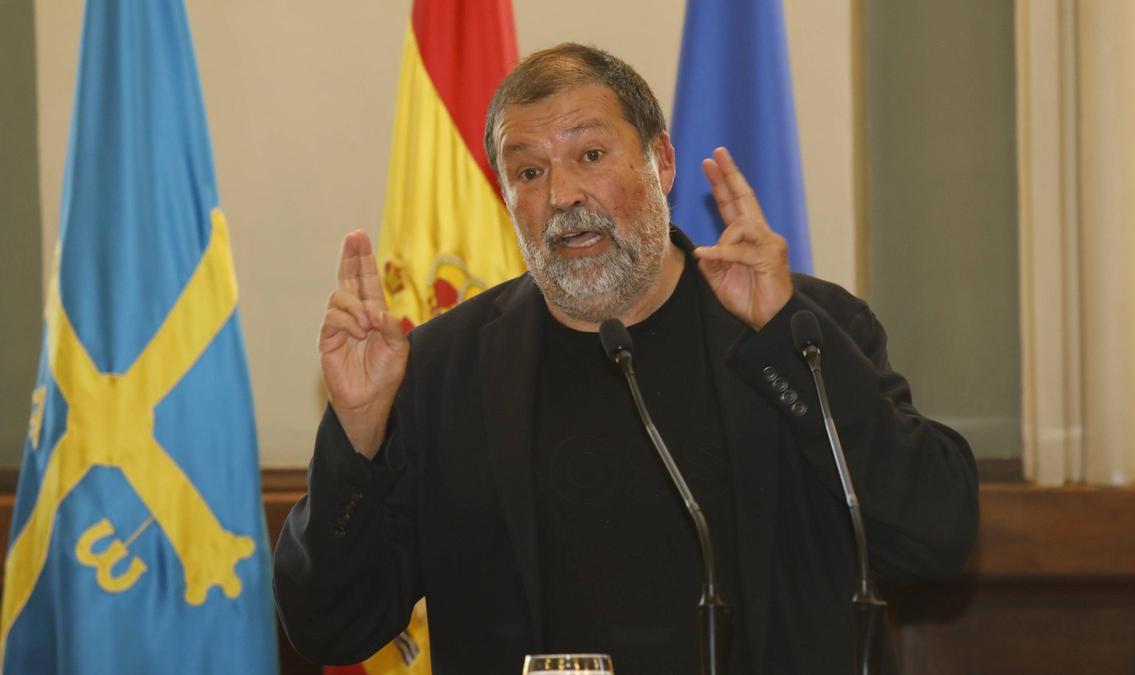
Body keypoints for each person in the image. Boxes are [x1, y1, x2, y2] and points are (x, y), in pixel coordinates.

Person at [274, 43, 978, 675]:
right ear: (507, 198)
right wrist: (359, 435)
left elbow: (937, 536)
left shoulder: (802, 328)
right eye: (528, 171)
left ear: (662, 162)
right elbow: (331, 624)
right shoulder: (440, 370)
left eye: (590, 155)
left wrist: (787, 337)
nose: (563, 196)